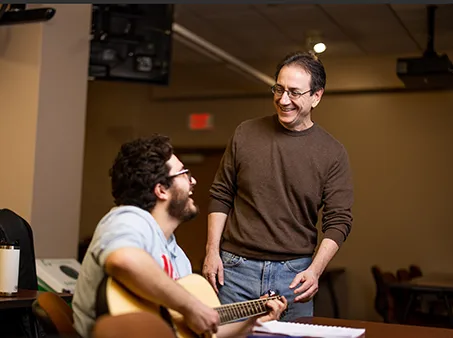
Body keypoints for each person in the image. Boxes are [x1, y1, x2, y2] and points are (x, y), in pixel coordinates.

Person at [72, 135, 287, 338]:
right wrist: (190, 306)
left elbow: (205, 330)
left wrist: (253, 321)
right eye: (184, 173)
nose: (193, 181)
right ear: (161, 190)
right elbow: (123, 260)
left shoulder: (175, 253)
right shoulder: (128, 218)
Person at [202, 51, 354, 322]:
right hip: (234, 271)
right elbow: (220, 195)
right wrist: (212, 253)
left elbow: (339, 220)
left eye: (294, 92)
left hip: (295, 277)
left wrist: (316, 271)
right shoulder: (244, 133)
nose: (284, 100)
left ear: (316, 96)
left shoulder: (333, 152)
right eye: (279, 89)